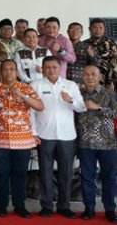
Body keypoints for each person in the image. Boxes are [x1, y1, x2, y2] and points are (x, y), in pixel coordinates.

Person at [31, 56, 86, 219]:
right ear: (43, 69)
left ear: (60, 68)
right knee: (45, 173)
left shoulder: (70, 85)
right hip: (44, 135)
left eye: (54, 67)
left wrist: (71, 100)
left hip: (67, 136)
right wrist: (33, 132)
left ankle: (64, 205)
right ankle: (46, 205)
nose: (51, 70)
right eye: (47, 67)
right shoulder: (35, 85)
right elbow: (30, 111)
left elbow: (82, 108)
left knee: (66, 173)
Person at [0, 60, 44, 218]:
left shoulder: (26, 88)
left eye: (11, 69)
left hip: (22, 141)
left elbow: (40, 106)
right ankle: (1, 206)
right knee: (1, 174)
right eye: (5, 69)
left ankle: (19, 205)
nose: (8, 72)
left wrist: (22, 95)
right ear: (1, 72)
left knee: (20, 174)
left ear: (16, 72)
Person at [75, 65, 117, 222]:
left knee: (109, 177)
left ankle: (110, 210)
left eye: (93, 74)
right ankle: (89, 208)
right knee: (86, 177)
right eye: (86, 74)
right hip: (85, 144)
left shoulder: (110, 94)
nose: (90, 77)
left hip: (108, 144)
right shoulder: (78, 94)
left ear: (100, 77)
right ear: (82, 77)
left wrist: (98, 108)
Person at [84, 18, 117, 90]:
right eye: (95, 27)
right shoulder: (84, 44)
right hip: (90, 80)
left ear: (104, 29)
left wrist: (111, 81)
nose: (97, 30)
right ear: (89, 29)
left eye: (100, 28)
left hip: (108, 81)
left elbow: (114, 64)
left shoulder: (111, 44)